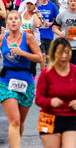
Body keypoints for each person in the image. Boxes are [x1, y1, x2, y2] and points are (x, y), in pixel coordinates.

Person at [35, 38, 76, 148]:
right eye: (60, 53)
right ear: (53, 54)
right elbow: (38, 99)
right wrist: (50, 101)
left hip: (71, 118)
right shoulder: (46, 73)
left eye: (67, 52)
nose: (64, 56)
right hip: (49, 118)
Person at [0, 10, 42, 147]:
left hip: (26, 82)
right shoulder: (2, 38)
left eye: (16, 19)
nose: (13, 21)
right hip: (7, 82)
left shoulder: (28, 38)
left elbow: (39, 58)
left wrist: (22, 52)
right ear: (6, 22)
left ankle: (14, 143)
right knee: (15, 120)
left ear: (20, 22)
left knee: (21, 121)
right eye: (10, 19)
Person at [37, 0, 59, 69]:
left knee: (49, 57)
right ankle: (43, 72)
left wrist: (51, 23)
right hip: (39, 34)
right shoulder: (36, 5)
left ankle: (48, 71)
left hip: (49, 34)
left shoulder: (52, 5)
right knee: (42, 56)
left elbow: (58, 18)